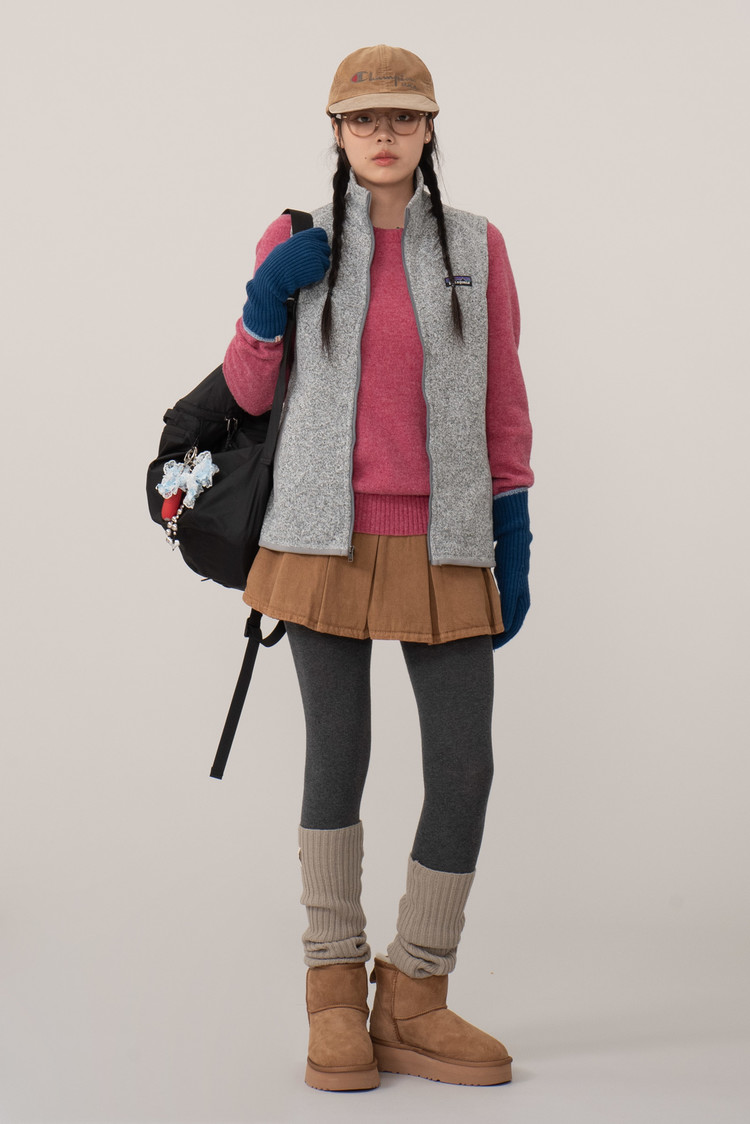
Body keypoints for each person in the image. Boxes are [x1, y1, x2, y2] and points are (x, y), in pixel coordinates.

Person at [223, 44, 533, 1092]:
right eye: (365, 119)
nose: (385, 135)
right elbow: (247, 393)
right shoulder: (298, 240)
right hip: (320, 538)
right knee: (336, 755)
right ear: (338, 131)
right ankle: (331, 991)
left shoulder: (477, 245)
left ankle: (415, 994)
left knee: (465, 766)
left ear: (430, 128)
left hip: (446, 537)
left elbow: (502, 396)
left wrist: (514, 528)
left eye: (404, 116)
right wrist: (266, 301)